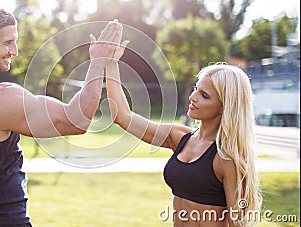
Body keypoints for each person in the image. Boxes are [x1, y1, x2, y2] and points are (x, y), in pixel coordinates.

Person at [0, 5, 122, 227]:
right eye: (7, 43)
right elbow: (77, 120)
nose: (15, 51)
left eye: (15, 41)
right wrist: (98, 63)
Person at [106, 44, 262, 226]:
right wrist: (111, 63)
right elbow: (122, 117)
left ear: (224, 107)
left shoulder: (226, 157)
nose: (192, 97)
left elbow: (239, 222)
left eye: (204, 95)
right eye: (196, 89)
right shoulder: (180, 137)